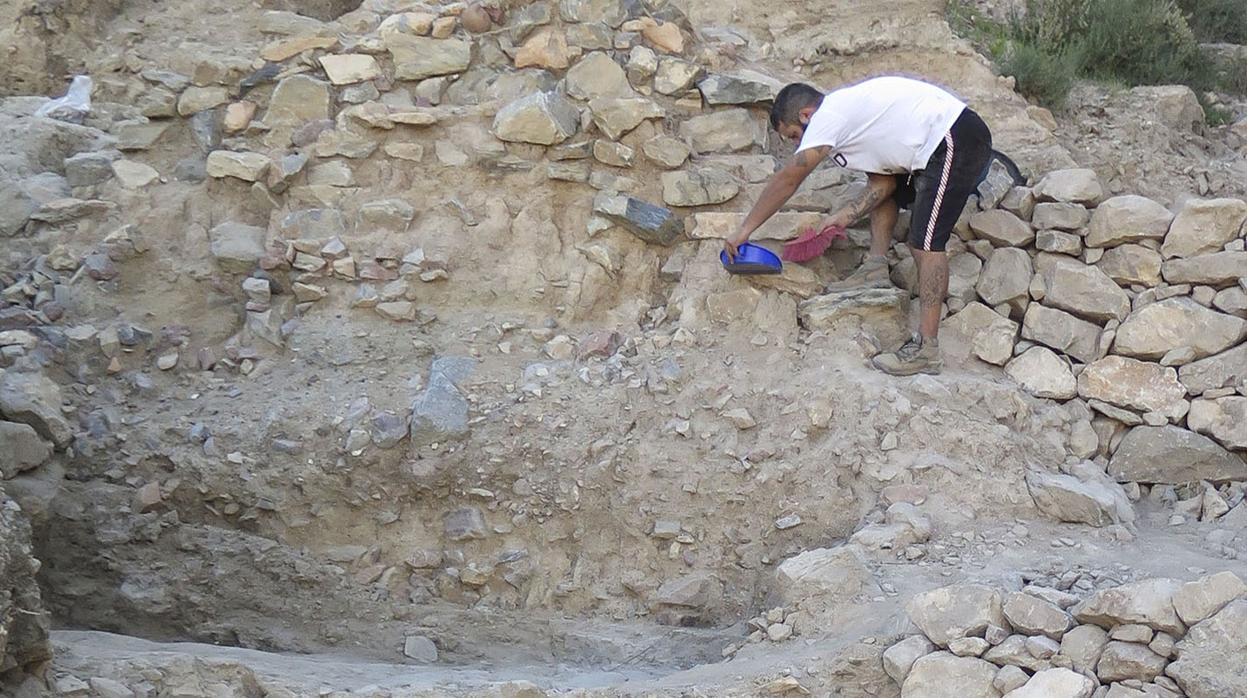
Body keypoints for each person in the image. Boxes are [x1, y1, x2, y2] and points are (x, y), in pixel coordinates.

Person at [724, 76, 993, 376]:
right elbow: (882, 183)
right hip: (930, 146)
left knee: (925, 243)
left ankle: (927, 350)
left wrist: (745, 229)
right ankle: (875, 267)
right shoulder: (853, 122)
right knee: (884, 189)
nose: (797, 144)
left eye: (793, 135)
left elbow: (790, 178)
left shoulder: (829, 115)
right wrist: (844, 217)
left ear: (806, 115)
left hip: (953, 136)